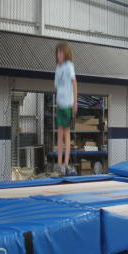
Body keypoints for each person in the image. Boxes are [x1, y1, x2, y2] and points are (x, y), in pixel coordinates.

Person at [54, 42, 78, 175]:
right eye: (58, 53)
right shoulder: (57, 68)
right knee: (59, 133)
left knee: (66, 133)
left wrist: (75, 102)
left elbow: (74, 82)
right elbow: (57, 86)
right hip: (60, 103)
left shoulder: (69, 66)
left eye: (62, 52)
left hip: (68, 104)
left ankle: (66, 163)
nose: (59, 55)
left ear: (66, 53)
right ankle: (58, 164)